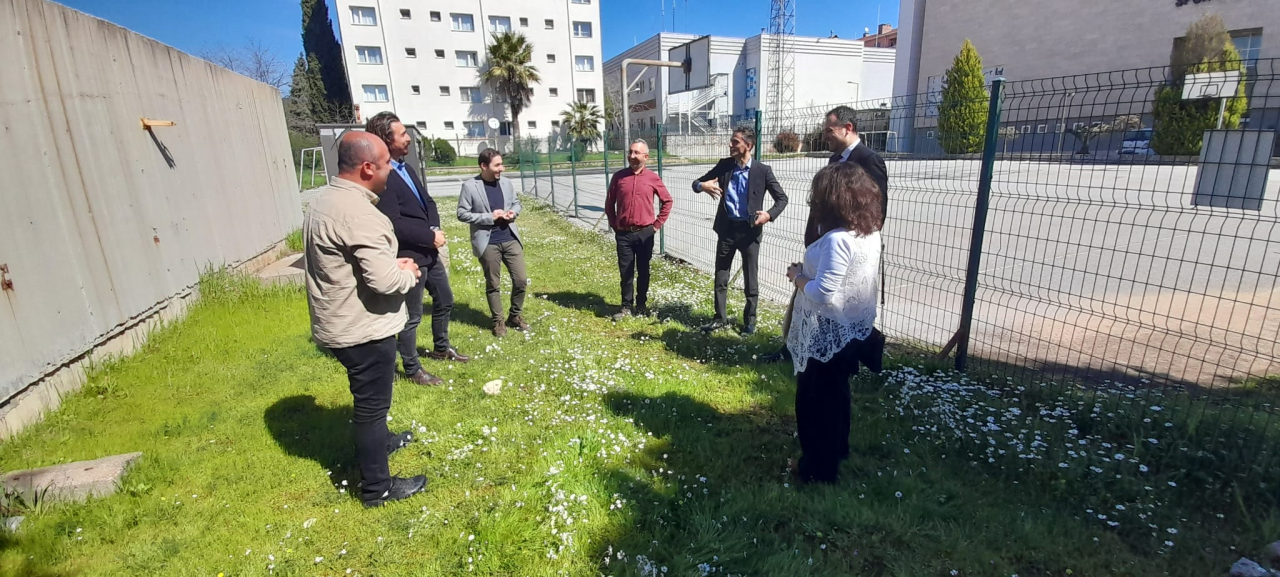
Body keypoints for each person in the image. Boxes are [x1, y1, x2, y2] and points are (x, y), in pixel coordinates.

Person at [303, 131, 428, 507]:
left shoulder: (325, 199)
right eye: (388, 163)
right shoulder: (359, 213)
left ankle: (382, 443)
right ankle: (378, 488)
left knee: (372, 406)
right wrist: (407, 270)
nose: (392, 170)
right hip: (362, 329)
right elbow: (384, 280)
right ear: (367, 167)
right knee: (371, 408)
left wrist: (390, 264)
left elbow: (356, 263)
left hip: (340, 321)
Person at [763, 105, 888, 363]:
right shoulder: (835, 159)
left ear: (848, 128)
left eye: (829, 130)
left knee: (838, 304)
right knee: (811, 302)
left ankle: (851, 355)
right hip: (825, 246)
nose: (825, 136)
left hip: (844, 249)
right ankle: (800, 348)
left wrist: (844, 239)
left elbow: (876, 211)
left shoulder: (869, 160)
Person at [785, 161, 885, 484]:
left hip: (826, 332)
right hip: (850, 330)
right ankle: (837, 451)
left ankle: (816, 468)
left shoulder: (837, 239)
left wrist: (798, 277)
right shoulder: (868, 234)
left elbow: (823, 292)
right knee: (838, 397)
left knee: (813, 403)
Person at [366, 112, 468, 389]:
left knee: (445, 299)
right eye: (402, 134)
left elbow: (429, 203)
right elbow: (393, 224)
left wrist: (433, 229)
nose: (408, 137)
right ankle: (412, 368)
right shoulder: (384, 177)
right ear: (386, 140)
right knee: (411, 317)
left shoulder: (405, 168)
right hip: (409, 256)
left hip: (429, 252)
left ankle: (441, 347)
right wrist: (428, 237)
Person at [691, 126, 788, 335]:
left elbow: (782, 199)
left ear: (748, 145)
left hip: (750, 231)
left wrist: (769, 215)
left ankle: (749, 321)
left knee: (750, 278)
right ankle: (719, 318)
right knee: (721, 275)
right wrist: (703, 186)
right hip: (727, 230)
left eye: (735, 142)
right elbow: (696, 182)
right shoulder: (725, 166)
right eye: (731, 141)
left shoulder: (763, 171)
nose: (730, 145)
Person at [457, 149, 528, 337]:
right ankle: (498, 321)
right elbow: (462, 213)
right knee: (493, 284)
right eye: (497, 165)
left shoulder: (506, 183)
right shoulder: (470, 186)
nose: (502, 169)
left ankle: (515, 315)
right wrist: (490, 216)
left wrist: (513, 212)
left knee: (520, 280)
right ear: (483, 166)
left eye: (501, 164)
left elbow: (516, 202)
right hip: (488, 242)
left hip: (510, 237)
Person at [604, 139, 673, 321]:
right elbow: (609, 204)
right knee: (625, 271)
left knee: (643, 270)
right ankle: (626, 306)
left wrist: (656, 225)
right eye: (630, 152)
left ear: (645, 157)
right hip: (624, 233)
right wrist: (615, 224)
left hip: (645, 233)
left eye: (636, 153)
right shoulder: (619, 177)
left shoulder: (652, 178)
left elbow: (667, 201)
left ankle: (641, 305)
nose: (632, 156)